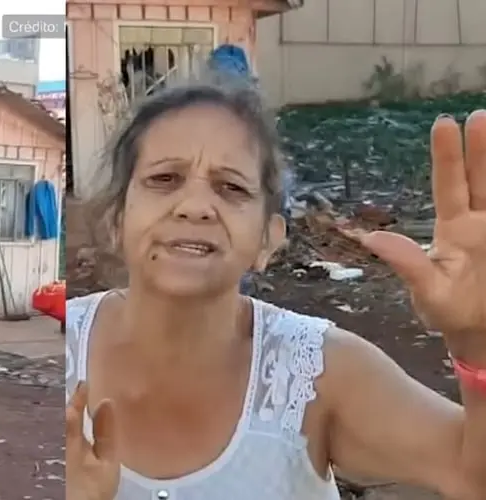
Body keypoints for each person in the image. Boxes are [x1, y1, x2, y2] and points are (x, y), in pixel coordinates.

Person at [65, 77, 486, 500]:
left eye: (231, 188)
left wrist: (476, 341)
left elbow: (472, 475)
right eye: (165, 178)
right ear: (116, 221)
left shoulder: (314, 372)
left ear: (268, 239)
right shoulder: (62, 350)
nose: (195, 207)